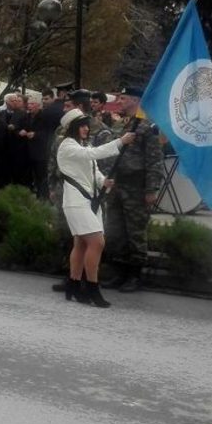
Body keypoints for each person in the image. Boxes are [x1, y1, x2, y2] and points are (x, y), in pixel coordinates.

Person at [56, 108, 135, 307]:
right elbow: (93, 154)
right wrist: (120, 142)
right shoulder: (67, 145)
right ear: (73, 128)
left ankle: (73, 285)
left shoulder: (82, 144)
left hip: (90, 201)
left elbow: (93, 169)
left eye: (86, 126)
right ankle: (92, 287)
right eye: (82, 126)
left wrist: (102, 182)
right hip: (76, 201)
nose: (86, 129)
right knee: (97, 242)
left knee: (82, 243)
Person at [102, 86, 164, 293]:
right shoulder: (121, 125)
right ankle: (118, 272)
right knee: (115, 230)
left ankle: (135, 276)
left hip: (136, 187)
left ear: (135, 100)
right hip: (118, 184)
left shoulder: (148, 127)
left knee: (136, 232)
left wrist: (151, 189)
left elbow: (155, 160)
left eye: (123, 98)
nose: (119, 101)